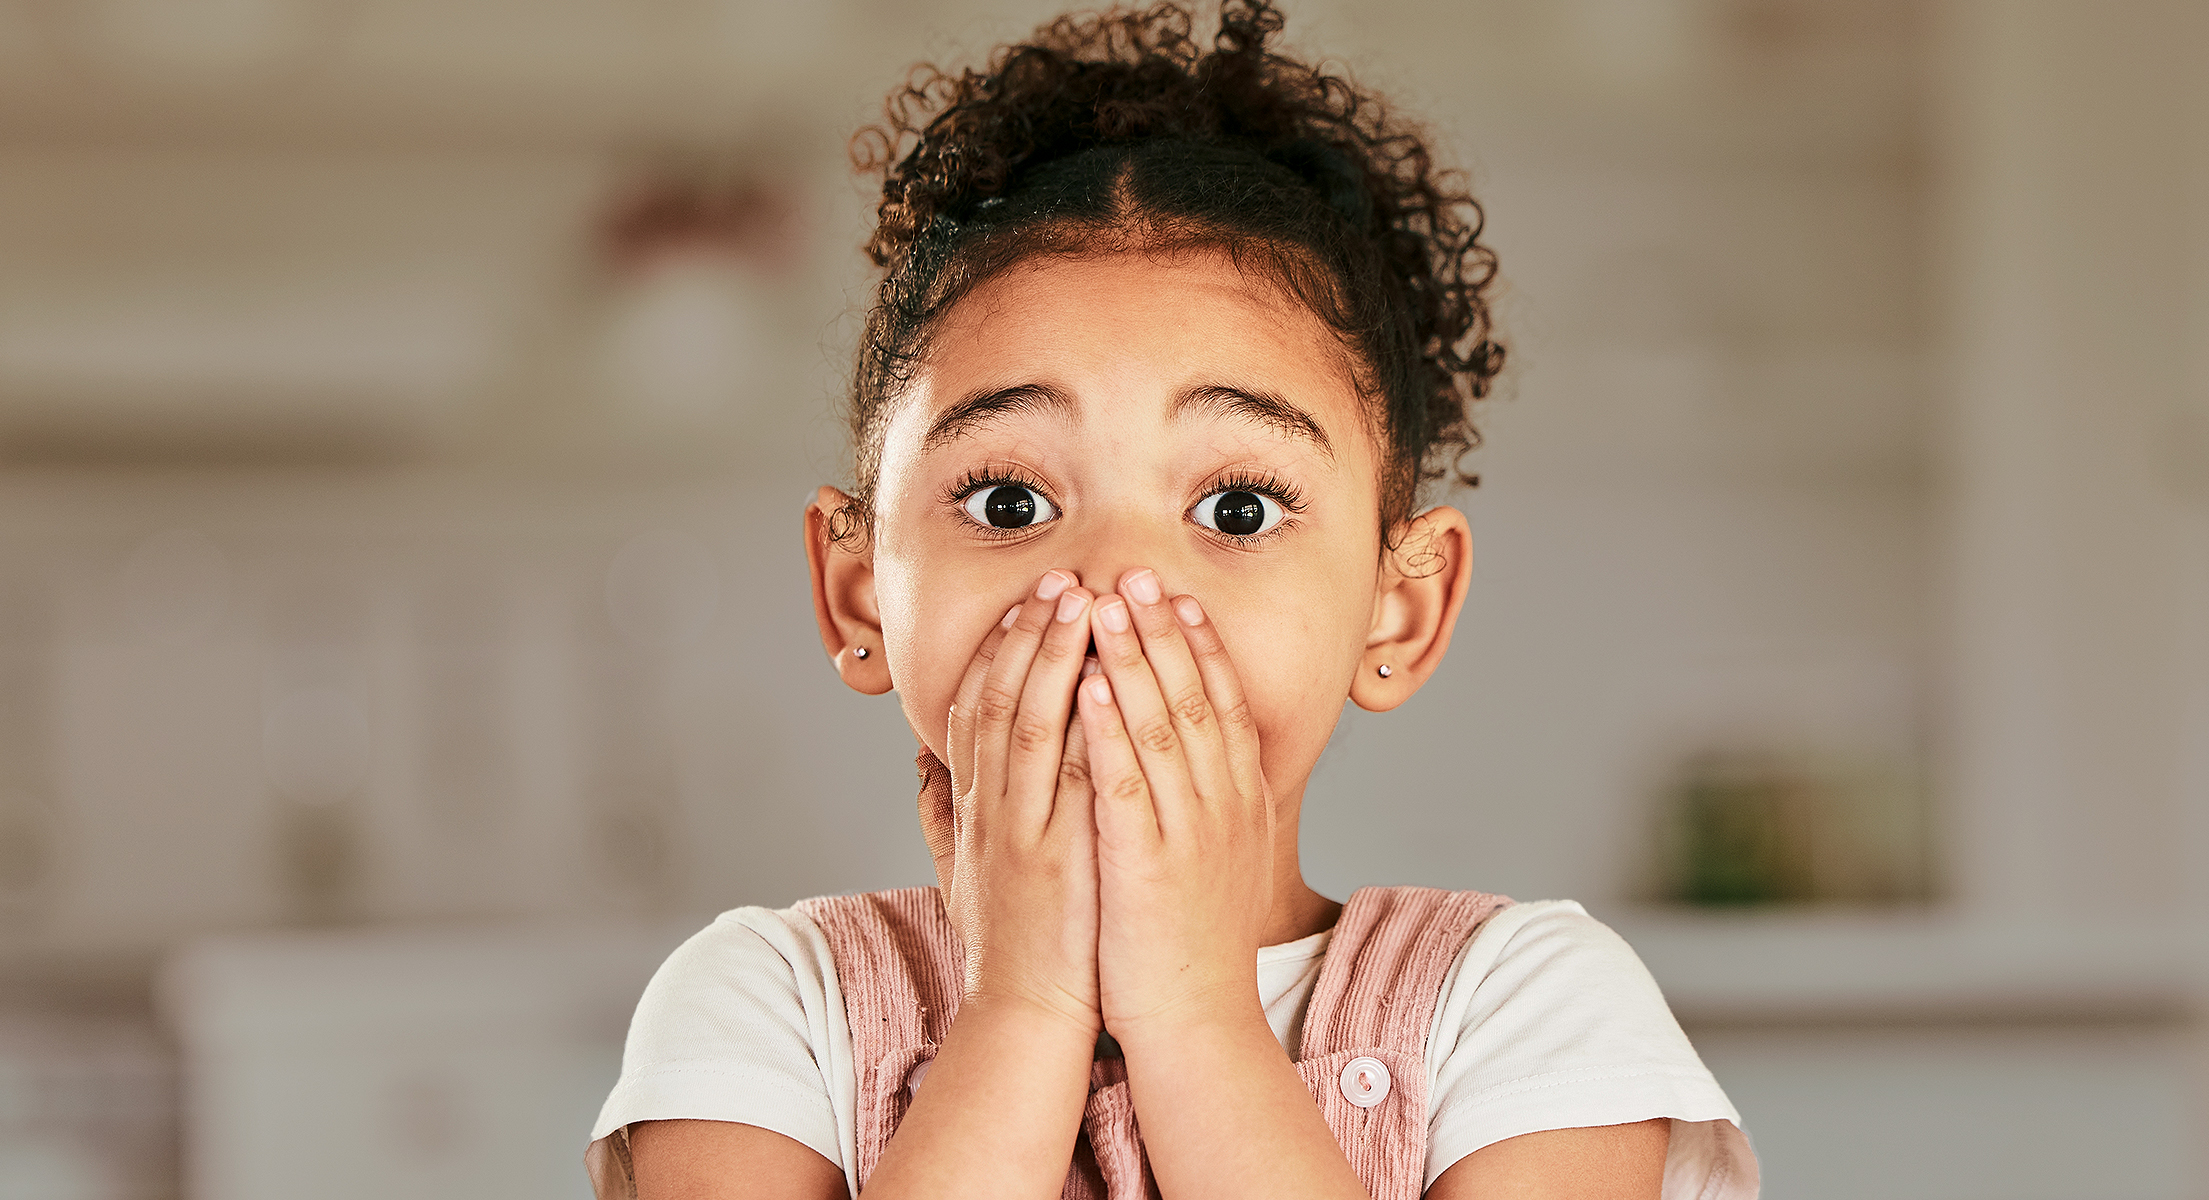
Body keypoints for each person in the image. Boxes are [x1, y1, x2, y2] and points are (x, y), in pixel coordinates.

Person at [588, 2, 1757, 1196]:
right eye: (1005, 502)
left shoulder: (1529, 1008)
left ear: (1397, 614)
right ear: (857, 592)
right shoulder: (761, 1009)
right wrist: (1020, 1010)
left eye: (1237, 509)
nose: (1108, 585)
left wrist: (1197, 1015)